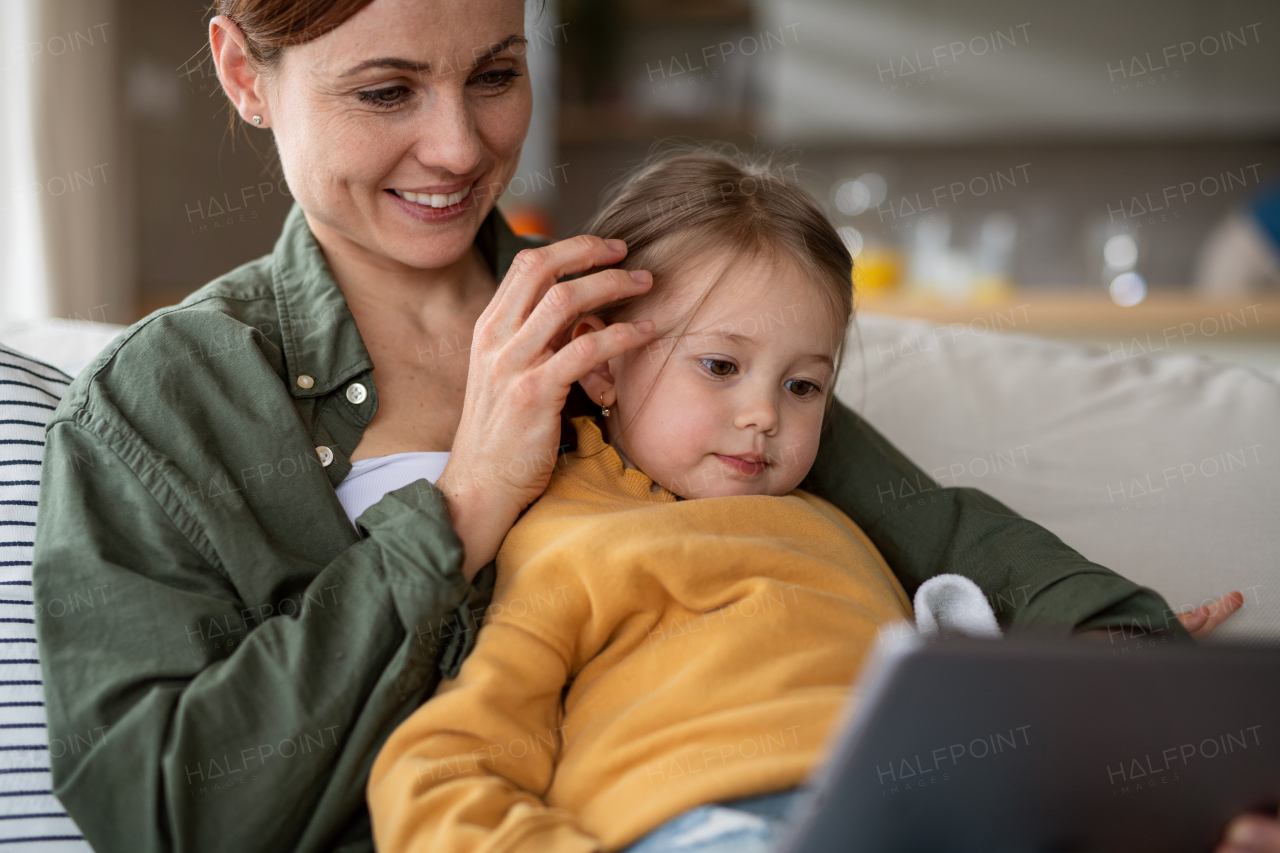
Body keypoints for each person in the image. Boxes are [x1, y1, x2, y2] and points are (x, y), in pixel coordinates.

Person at [27, 1, 1268, 852]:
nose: (459, 147)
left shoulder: (646, 310)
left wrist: (1151, 702)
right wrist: (459, 505)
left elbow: (941, 539)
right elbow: (162, 806)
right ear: (246, 75)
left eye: (495, 74)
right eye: (385, 90)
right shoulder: (164, 400)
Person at [364, 150, 1246, 853]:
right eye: (720, 365)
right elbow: (440, 767)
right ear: (601, 362)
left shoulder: (842, 527)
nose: (762, 416)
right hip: (709, 823)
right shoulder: (560, 541)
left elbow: (977, 692)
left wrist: (1132, 685)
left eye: (803, 386)